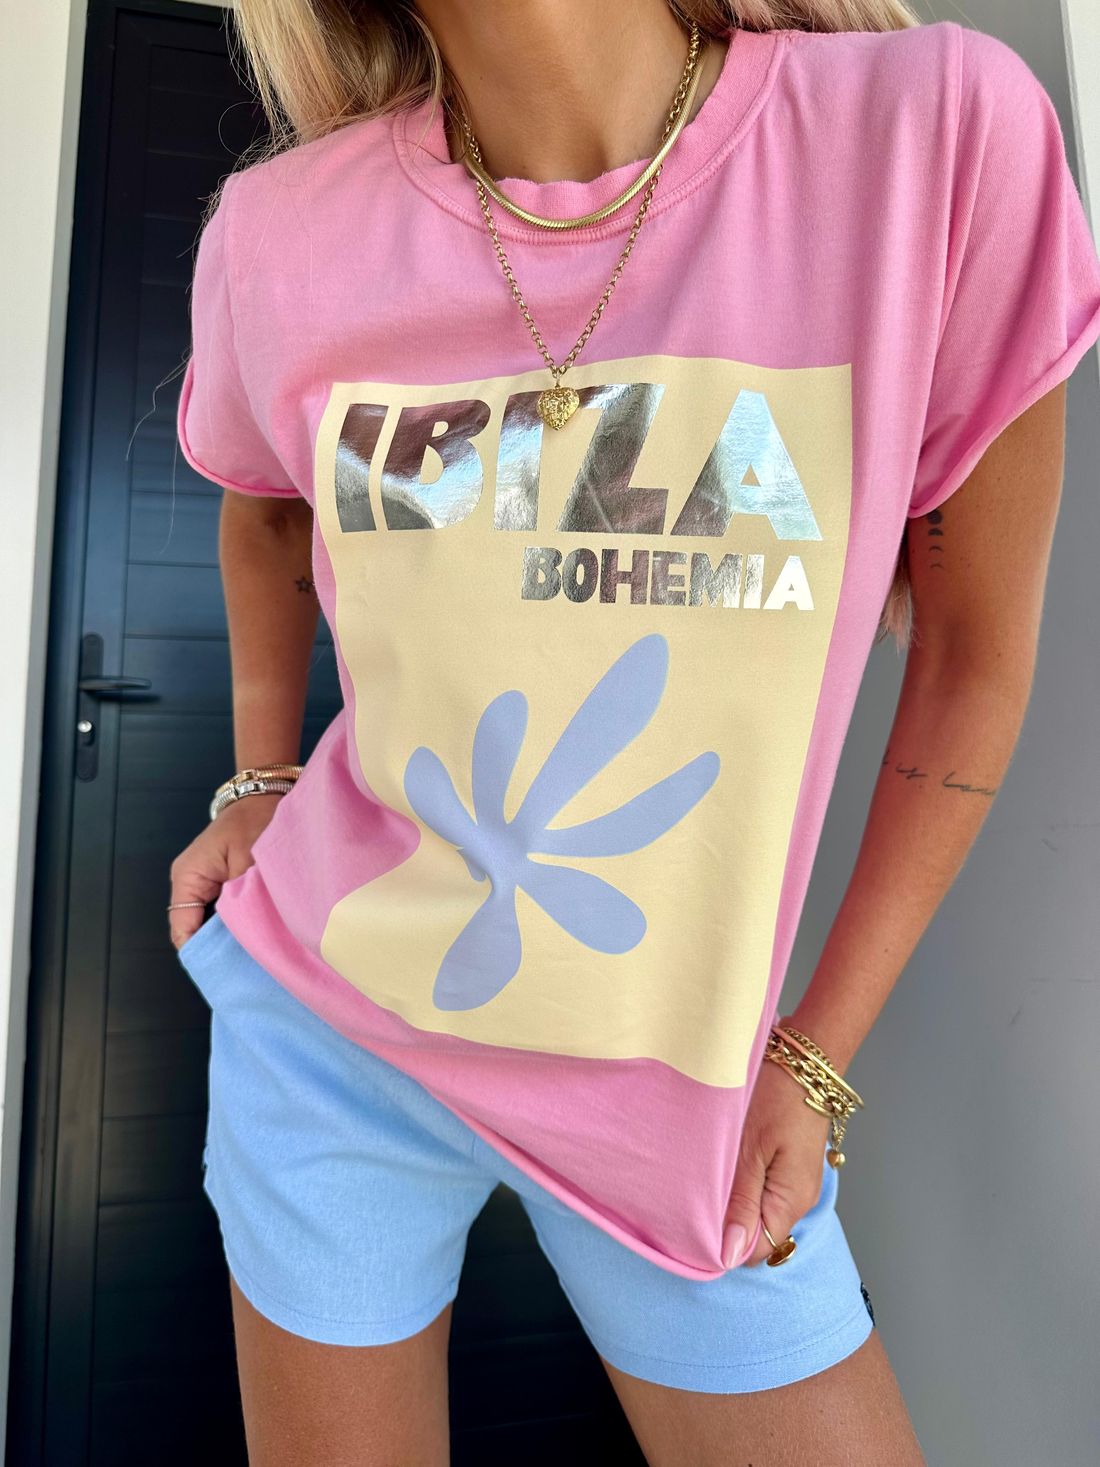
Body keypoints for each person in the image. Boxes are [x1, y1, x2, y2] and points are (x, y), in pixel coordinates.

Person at [167, 1, 1100, 1461]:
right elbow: (266, 510)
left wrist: (815, 1057)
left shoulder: (930, 137)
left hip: (686, 1091)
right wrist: (264, 773)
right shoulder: (280, 233)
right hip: (328, 1028)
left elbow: (976, 659)